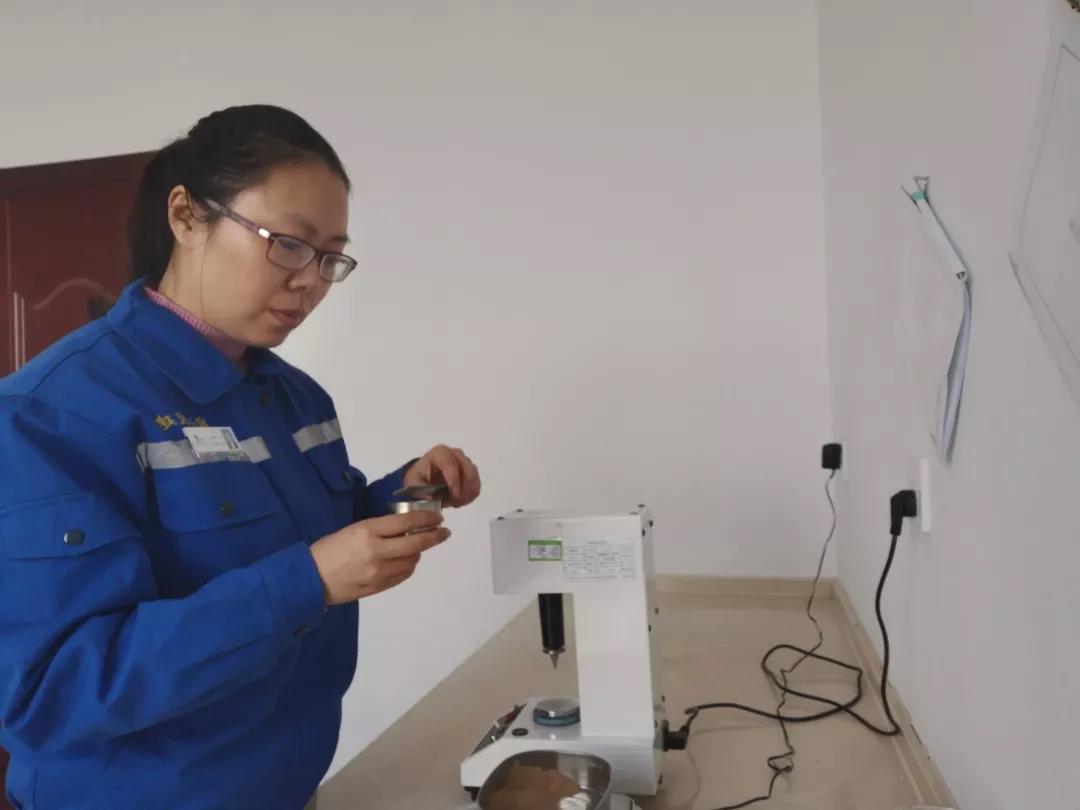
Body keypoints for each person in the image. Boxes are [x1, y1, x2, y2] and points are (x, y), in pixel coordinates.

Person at [0, 104, 481, 810]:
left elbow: (301, 532)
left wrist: (397, 496)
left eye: (330, 257)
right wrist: (305, 582)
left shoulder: (296, 399)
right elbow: (52, 691)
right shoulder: (48, 415)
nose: (310, 280)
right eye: (287, 244)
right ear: (186, 216)